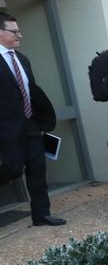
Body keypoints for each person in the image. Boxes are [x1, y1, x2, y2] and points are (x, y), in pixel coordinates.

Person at [0, 12, 66, 226]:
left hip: (32, 125)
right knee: (13, 168)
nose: (20, 34)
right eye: (14, 31)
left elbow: (31, 90)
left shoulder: (22, 59)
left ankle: (41, 215)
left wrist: (40, 118)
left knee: (38, 171)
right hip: (7, 129)